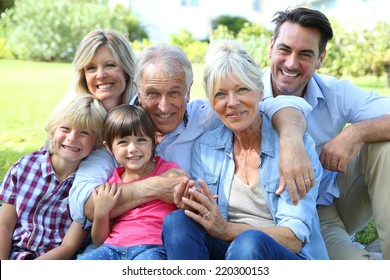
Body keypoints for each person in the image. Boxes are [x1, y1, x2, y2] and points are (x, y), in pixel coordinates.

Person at [69, 43, 315, 232]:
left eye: (174, 93)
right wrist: (157, 187)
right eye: (152, 93)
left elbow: (273, 105)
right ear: (138, 89)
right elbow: (84, 205)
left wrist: (291, 141)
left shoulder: (208, 116)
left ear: (189, 90)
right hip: (125, 240)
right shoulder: (117, 130)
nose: (163, 107)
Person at [162, 40, 328, 260]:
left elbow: (294, 239)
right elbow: (209, 218)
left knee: (249, 243)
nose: (232, 103)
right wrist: (193, 206)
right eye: (220, 94)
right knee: (178, 222)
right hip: (230, 252)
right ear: (211, 101)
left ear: (260, 91)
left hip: (284, 256)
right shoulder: (206, 147)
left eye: (242, 89)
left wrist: (226, 230)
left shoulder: (294, 149)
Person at [263, 7, 390, 259]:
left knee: (384, 146)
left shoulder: (336, 93)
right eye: (284, 49)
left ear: (321, 59)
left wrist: (356, 133)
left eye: (305, 54)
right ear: (271, 47)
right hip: (273, 216)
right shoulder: (243, 96)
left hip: (326, 207)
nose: (291, 63)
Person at [0, 94, 106, 260]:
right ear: (51, 130)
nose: (72, 138)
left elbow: (69, 247)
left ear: (97, 142)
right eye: (65, 128)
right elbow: (4, 225)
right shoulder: (24, 167)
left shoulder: (87, 188)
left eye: (84, 133)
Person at [77, 105, 179, 260]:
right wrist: (101, 213)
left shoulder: (168, 172)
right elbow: (99, 241)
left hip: (152, 249)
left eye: (141, 140)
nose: (132, 149)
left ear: (154, 141)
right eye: (123, 142)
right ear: (109, 147)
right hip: (112, 248)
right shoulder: (112, 184)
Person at [71, 29, 137, 112]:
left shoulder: (146, 119)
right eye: (91, 68)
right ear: (83, 76)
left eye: (109, 65)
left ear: (127, 71)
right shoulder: (70, 121)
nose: (100, 75)